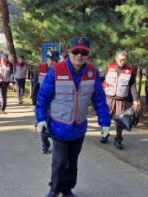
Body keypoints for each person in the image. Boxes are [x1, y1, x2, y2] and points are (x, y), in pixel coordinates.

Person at [36, 37, 111, 197]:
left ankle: (67, 189)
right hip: (58, 127)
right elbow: (42, 98)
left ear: (88, 55)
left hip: (79, 128)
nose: (79, 55)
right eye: (76, 51)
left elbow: (99, 99)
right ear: (69, 52)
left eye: (83, 52)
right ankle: (54, 190)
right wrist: (41, 119)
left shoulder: (92, 72)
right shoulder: (56, 71)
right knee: (60, 162)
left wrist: (105, 122)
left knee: (72, 162)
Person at [100, 50, 140, 149]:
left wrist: (135, 99)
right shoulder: (109, 67)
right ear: (116, 59)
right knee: (106, 117)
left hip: (121, 100)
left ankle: (118, 140)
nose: (122, 61)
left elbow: (132, 86)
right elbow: (100, 78)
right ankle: (105, 135)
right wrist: (102, 86)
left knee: (121, 120)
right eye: (121, 59)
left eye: (124, 59)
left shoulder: (130, 70)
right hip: (108, 98)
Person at [32, 51, 60, 154]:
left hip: (56, 102)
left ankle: (58, 146)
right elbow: (35, 86)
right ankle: (45, 145)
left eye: (55, 60)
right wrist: (34, 102)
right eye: (51, 59)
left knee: (56, 125)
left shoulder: (61, 70)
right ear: (47, 59)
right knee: (43, 125)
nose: (53, 62)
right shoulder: (40, 69)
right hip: (43, 102)